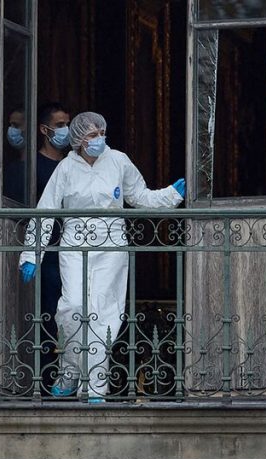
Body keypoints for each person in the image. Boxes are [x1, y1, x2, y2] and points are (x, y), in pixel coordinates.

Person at [18, 111, 186, 402]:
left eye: (101, 133)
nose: (99, 139)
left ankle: (95, 386)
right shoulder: (66, 167)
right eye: (92, 135)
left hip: (111, 244)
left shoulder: (118, 160)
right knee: (72, 306)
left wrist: (171, 195)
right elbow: (46, 210)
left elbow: (139, 196)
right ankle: (70, 371)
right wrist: (32, 253)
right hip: (74, 244)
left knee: (104, 314)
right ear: (78, 139)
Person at [31, 101, 70, 390]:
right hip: (47, 254)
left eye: (68, 124)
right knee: (48, 314)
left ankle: (74, 377)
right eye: (59, 125)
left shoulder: (73, 165)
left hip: (74, 249)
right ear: (45, 130)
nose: (65, 130)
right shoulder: (32, 167)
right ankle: (45, 379)